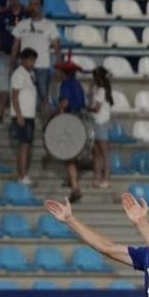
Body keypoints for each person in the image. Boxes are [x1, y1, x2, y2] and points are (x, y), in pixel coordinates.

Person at [10, 0, 61, 119]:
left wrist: (59, 67)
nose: (33, 7)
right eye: (31, 4)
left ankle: (46, 127)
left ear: (41, 7)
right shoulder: (21, 24)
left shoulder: (50, 25)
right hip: (24, 68)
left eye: (36, 4)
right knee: (21, 94)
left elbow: (57, 48)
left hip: (42, 66)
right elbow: (15, 46)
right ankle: (22, 122)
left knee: (44, 97)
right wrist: (12, 65)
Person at [54, 58, 86, 204]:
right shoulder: (78, 85)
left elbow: (65, 102)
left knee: (69, 156)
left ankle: (75, 188)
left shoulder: (65, 84)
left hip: (69, 120)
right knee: (73, 154)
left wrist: (57, 113)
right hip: (80, 120)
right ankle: (72, 181)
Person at [0, 0, 25, 124]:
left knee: (20, 88)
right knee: (2, 87)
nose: (13, 0)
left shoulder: (26, 14)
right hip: (5, 55)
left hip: (22, 58)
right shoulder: (1, 13)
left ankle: (19, 115)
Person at [9, 47, 38, 185]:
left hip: (30, 115)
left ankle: (23, 173)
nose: (32, 63)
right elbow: (14, 96)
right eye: (30, 60)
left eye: (34, 60)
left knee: (27, 145)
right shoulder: (18, 74)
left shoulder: (31, 74)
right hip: (22, 115)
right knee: (24, 145)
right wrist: (19, 115)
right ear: (23, 60)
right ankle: (22, 175)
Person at [87, 66, 113, 188]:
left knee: (104, 153)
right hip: (96, 122)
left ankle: (106, 178)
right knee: (96, 152)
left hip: (101, 122)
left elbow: (96, 108)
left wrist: (86, 108)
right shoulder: (97, 89)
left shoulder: (102, 90)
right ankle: (97, 177)